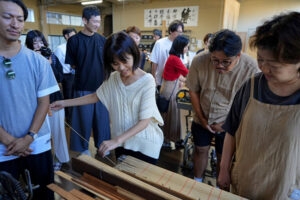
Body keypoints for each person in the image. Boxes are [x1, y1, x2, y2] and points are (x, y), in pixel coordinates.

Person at [218, 12, 300, 199]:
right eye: (260, 59)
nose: (263, 68)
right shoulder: (252, 85)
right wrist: (224, 169)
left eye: (273, 65)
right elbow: (231, 130)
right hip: (246, 182)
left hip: (286, 189)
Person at [51, 32, 164, 164]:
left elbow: (144, 122)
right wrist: (64, 103)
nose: (121, 67)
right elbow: (95, 96)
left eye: (125, 60)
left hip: (145, 144)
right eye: (115, 63)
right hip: (121, 143)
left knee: (140, 183)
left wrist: (116, 140)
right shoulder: (114, 78)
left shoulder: (147, 81)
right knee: (123, 181)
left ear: (134, 54)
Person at [0, 0, 59, 199]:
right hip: (3, 149)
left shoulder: (38, 62)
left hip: (38, 143)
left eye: (20, 19)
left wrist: (29, 137)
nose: (15, 24)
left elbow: (44, 103)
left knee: (44, 194)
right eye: (7, 17)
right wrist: (9, 141)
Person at [186, 29, 259, 183]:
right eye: (215, 60)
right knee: (200, 150)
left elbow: (251, 104)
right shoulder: (200, 61)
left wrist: (227, 124)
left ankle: (220, 188)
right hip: (202, 117)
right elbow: (193, 90)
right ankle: (197, 182)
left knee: (223, 157)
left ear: (238, 56)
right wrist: (202, 118)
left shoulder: (251, 68)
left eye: (226, 62)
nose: (219, 65)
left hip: (230, 124)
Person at [65, 5, 110, 156]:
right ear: (84, 20)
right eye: (94, 21)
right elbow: (72, 64)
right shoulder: (74, 41)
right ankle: (83, 149)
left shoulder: (103, 40)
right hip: (82, 86)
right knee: (82, 121)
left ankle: (103, 147)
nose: (97, 24)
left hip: (102, 87)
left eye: (99, 21)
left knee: (102, 122)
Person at [25, 30, 69, 171]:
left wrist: (49, 64)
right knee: (40, 134)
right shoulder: (28, 58)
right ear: (30, 45)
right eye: (35, 42)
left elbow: (60, 78)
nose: (38, 45)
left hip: (55, 100)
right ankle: (45, 162)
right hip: (37, 105)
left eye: (41, 41)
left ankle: (63, 159)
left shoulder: (53, 57)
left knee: (59, 132)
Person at [160, 35, 189, 143]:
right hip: (170, 88)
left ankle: (169, 138)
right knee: (170, 115)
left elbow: (178, 74)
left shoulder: (172, 57)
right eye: (186, 47)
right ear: (180, 47)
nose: (187, 49)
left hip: (170, 86)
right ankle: (169, 138)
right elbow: (186, 73)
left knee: (170, 114)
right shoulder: (175, 59)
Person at [150, 20, 184, 86]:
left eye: (181, 32)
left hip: (175, 83)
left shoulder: (181, 45)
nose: (180, 34)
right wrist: (153, 79)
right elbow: (154, 63)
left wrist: (181, 81)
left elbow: (182, 64)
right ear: (171, 31)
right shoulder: (159, 43)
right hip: (160, 81)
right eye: (178, 32)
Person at [54, 27, 77, 123]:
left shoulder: (76, 46)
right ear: (66, 36)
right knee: (68, 97)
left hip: (76, 75)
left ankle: (75, 118)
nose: (75, 37)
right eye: (72, 35)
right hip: (66, 76)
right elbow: (58, 65)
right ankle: (69, 119)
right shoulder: (60, 48)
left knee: (76, 97)